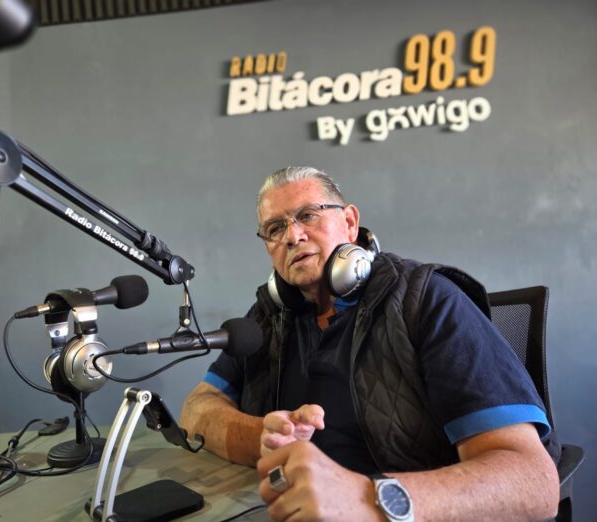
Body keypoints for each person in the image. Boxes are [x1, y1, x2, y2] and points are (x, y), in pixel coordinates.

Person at [180, 166, 559, 521]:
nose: (293, 236)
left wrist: (369, 498)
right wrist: (262, 436)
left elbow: (532, 480)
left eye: (308, 215)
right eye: (275, 228)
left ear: (349, 222)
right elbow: (197, 408)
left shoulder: (427, 300)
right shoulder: (268, 315)